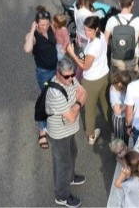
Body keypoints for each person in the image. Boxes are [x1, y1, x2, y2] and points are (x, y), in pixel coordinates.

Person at [45, 57, 88, 208]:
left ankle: (70, 177)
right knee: (63, 163)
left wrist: (75, 105)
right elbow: (70, 117)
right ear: (58, 74)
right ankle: (62, 195)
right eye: (67, 76)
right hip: (59, 132)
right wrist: (77, 103)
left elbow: (85, 93)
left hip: (68, 129)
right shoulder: (55, 93)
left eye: (72, 74)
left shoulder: (69, 79)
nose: (71, 79)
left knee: (73, 153)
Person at [66, 16, 110, 146]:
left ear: (96, 29)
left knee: (89, 110)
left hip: (91, 81)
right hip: (105, 75)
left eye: (89, 30)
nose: (86, 32)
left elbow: (85, 66)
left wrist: (72, 53)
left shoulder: (92, 48)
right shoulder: (101, 36)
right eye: (85, 29)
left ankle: (91, 135)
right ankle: (112, 129)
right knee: (106, 104)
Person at [26, 6, 59, 148]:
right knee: (45, 100)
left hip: (56, 69)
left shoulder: (50, 28)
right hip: (44, 73)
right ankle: (42, 131)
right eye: (41, 25)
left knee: (56, 95)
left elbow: (56, 38)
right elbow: (27, 49)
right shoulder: (32, 36)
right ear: (36, 23)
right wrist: (33, 30)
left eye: (47, 24)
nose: (45, 27)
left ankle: (54, 120)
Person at [105, 0, 139, 72]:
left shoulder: (112, 20)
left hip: (116, 59)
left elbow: (105, 40)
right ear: (132, 3)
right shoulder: (138, 21)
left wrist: (115, 45)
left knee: (117, 82)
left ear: (119, 3)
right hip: (133, 58)